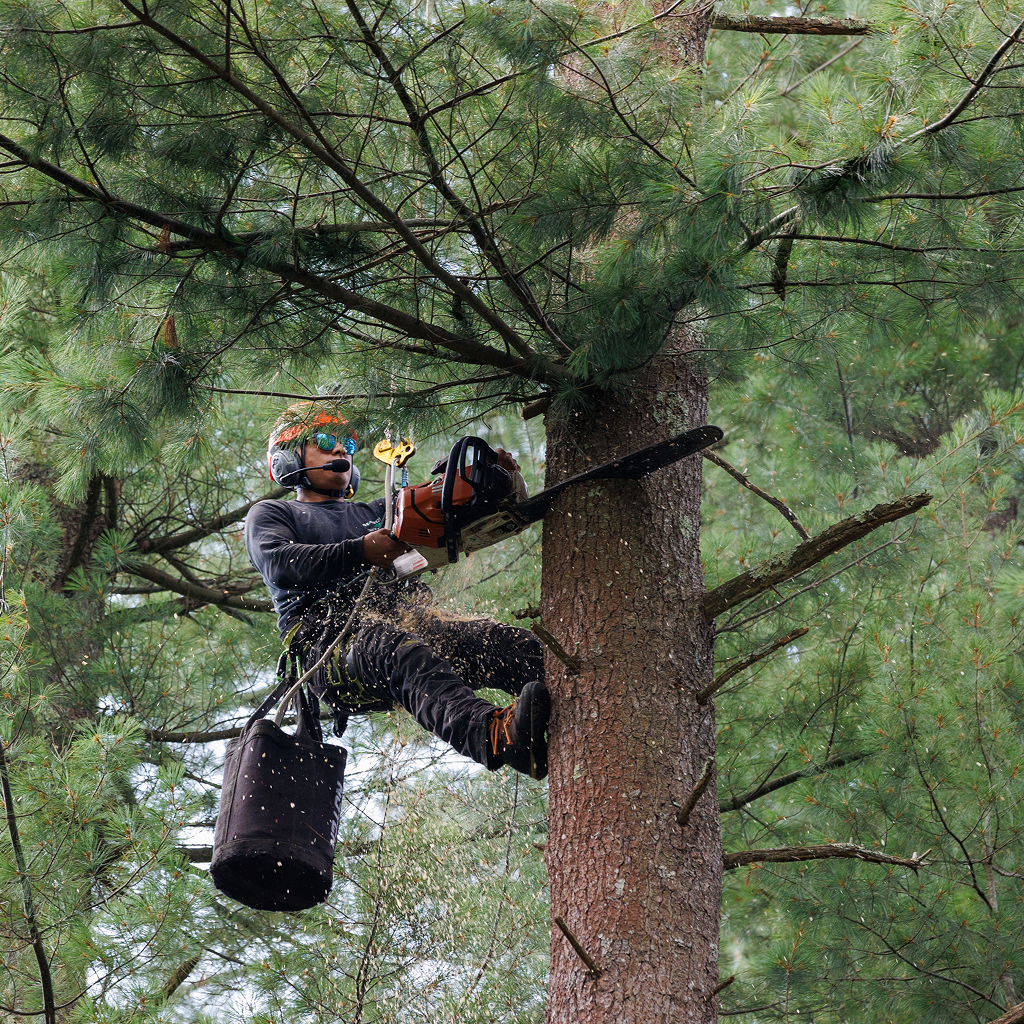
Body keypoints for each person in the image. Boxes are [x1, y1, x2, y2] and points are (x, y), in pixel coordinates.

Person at [243, 403, 550, 779]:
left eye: (346, 445)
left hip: (409, 627)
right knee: (394, 645)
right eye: (325, 442)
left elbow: (432, 506)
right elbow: (279, 562)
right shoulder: (274, 514)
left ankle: (574, 689)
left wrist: (483, 479)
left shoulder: (380, 510)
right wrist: (361, 550)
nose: (340, 450)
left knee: (494, 640)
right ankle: (495, 736)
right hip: (331, 651)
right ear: (290, 457)